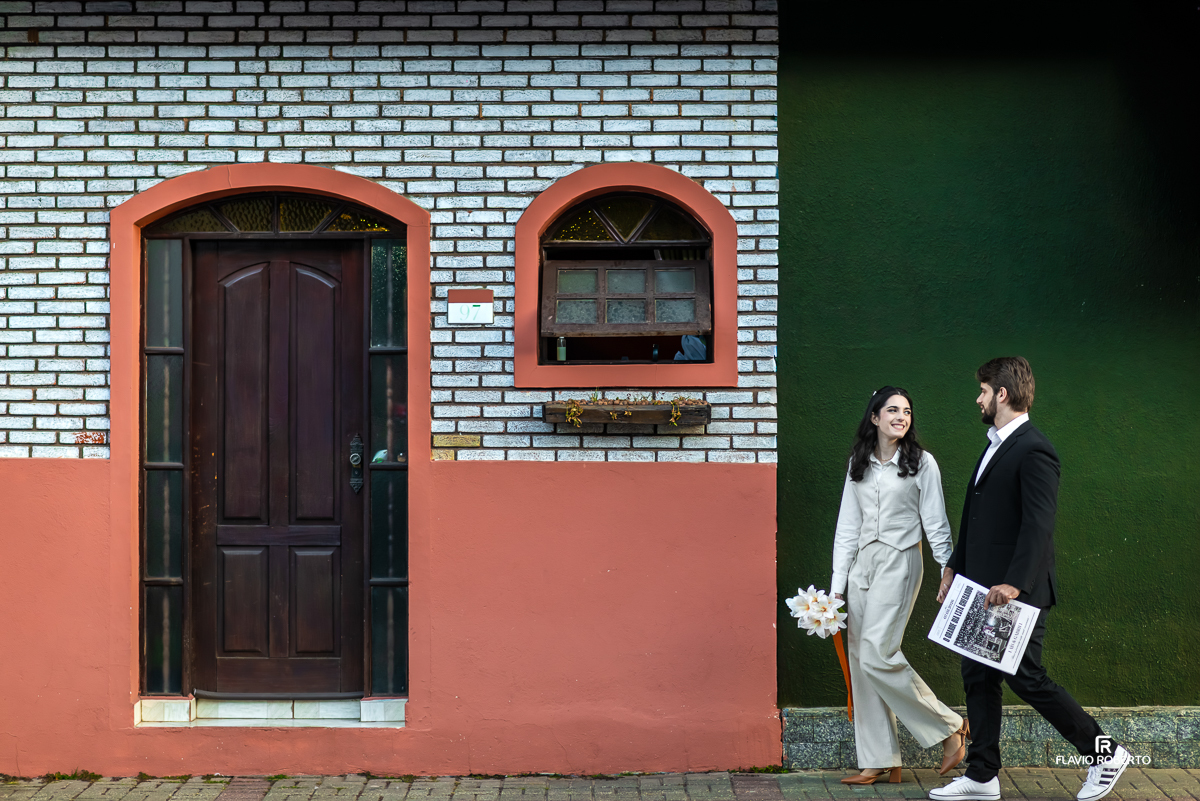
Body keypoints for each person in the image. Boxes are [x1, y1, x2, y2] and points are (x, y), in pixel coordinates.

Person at [929, 357, 1131, 801]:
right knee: (977, 677)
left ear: (1001, 394)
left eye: (982, 391)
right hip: (983, 589)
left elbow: (1039, 524)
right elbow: (975, 519)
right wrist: (952, 568)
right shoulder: (995, 444)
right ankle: (982, 776)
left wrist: (1015, 583)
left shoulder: (1034, 447)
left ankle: (1105, 753)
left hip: (1014, 592)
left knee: (1026, 677)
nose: (978, 399)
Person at [831, 387, 970, 785]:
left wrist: (948, 566)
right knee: (861, 659)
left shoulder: (922, 463)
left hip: (901, 559)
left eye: (907, 411)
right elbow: (846, 527)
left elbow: (936, 520)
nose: (901, 417)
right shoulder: (858, 462)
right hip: (861, 565)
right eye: (892, 410)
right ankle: (878, 759)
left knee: (877, 651)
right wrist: (836, 588)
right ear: (874, 417)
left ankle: (949, 726)